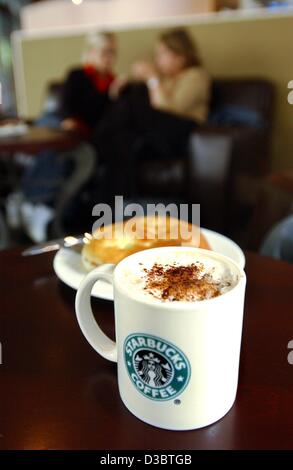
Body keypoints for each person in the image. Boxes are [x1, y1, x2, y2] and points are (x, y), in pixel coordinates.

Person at [6, 32, 117, 243]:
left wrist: (111, 95)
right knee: (52, 139)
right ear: (92, 53)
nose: (109, 57)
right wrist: (66, 120)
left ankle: (33, 203)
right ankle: (31, 200)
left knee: (78, 151)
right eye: (105, 51)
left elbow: (101, 121)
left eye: (113, 52)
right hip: (59, 122)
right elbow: (65, 105)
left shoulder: (113, 85)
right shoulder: (78, 74)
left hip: (82, 134)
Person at [95, 28, 211, 203]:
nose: (158, 60)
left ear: (180, 55)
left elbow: (168, 109)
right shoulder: (166, 79)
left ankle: (94, 142)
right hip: (156, 135)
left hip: (182, 133)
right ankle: (113, 212)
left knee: (131, 107)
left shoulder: (196, 76)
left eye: (162, 54)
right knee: (122, 143)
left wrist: (152, 77)